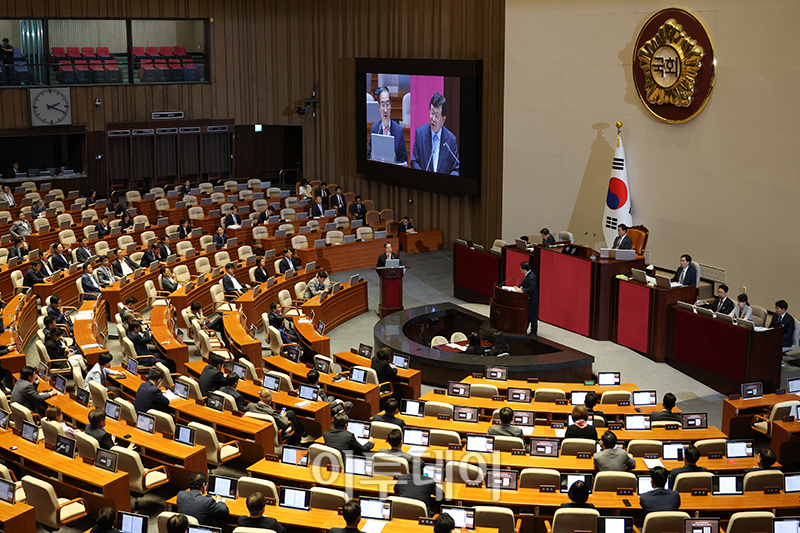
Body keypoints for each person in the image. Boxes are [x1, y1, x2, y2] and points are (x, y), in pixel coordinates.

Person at [410, 92, 459, 175]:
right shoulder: (420, 134)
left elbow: (456, 169)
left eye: (436, 115)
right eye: (432, 113)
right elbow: (414, 162)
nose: (433, 118)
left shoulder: (451, 140)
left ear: (443, 120)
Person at [367, 86, 408, 164]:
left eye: (387, 104)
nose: (385, 110)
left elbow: (404, 160)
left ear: (391, 105)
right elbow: (369, 157)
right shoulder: (374, 129)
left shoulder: (398, 130)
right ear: (379, 107)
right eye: (383, 105)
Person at [516, 261, 539, 336]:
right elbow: (523, 284)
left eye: (521, 268)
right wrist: (518, 287)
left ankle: (534, 332)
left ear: (524, 269)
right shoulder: (528, 275)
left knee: (532, 316)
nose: (520, 269)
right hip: (527, 299)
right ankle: (526, 329)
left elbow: (531, 289)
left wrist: (522, 290)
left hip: (531, 299)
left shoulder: (531, 277)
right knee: (529, 315)